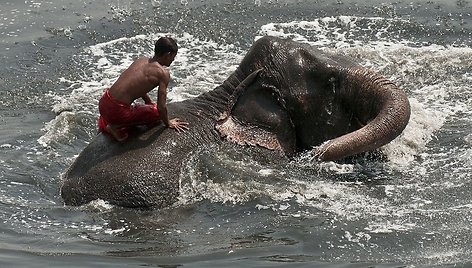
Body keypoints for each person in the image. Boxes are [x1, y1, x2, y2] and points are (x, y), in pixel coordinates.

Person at [98, 37, 188, 141]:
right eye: (173, 56)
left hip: (104, 102)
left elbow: (135, 82)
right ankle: (115, 126)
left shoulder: (141, 60)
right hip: (117, 111)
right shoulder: (163, 73)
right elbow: (161, 107)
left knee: (147, 106)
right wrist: (168, 123)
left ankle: (112, 120)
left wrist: (148, 101)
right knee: (156, 114)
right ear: (168, 55)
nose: (173, 59)